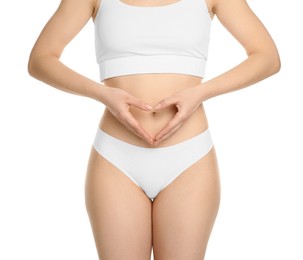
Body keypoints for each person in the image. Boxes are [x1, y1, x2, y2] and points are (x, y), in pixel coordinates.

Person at [28, 0, 280, 258]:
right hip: (117, 158)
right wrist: (103, 95)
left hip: (189, 158)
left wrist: (201, 93)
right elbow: (40, 59)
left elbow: (267, 57)